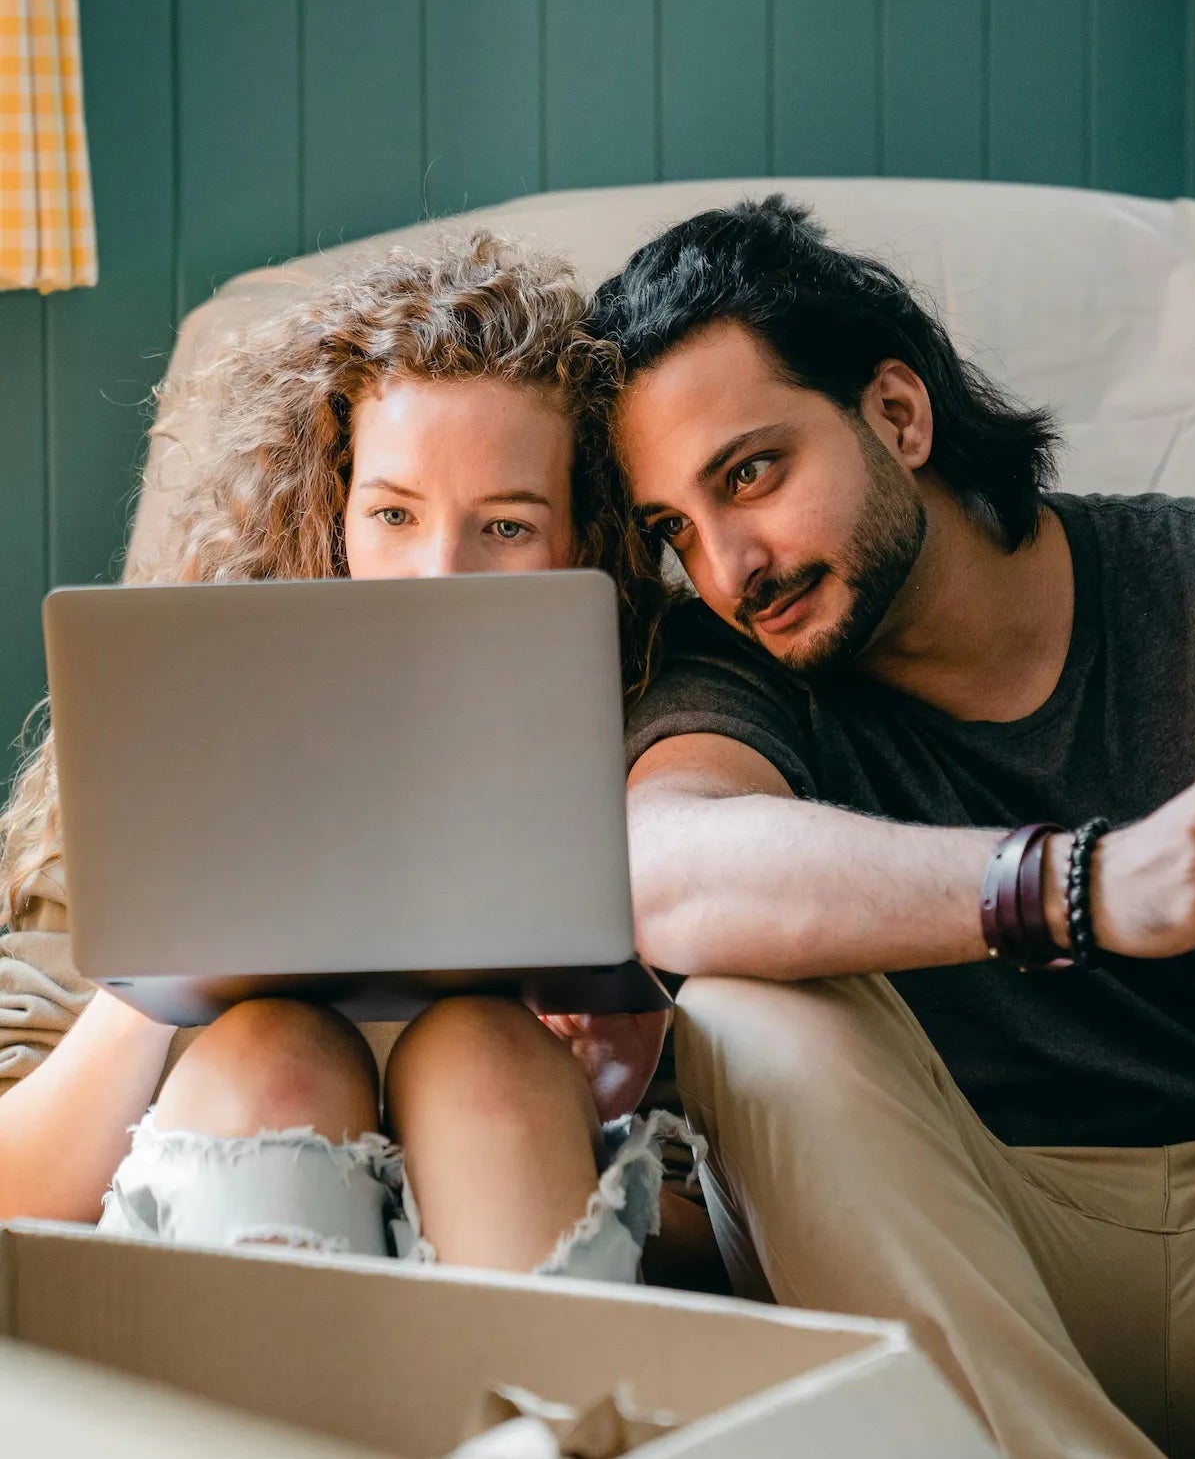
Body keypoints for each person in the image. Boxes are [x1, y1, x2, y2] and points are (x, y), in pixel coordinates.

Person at [587, 196, 1195, 1457]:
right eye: (674, 530)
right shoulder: (735, 670)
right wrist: (1085, 883)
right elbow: (670, 869)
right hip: (993, 1275)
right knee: (749, 1009)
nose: (732, 566)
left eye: (753, 473)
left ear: (898, 415)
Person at [0, 231, 704, 1285]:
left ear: (582, 539)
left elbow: (747, 1216)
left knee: (484, 1058)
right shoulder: (167, 723)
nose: (439, 577)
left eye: (505, 528)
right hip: (220, 1218)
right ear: (330, 520)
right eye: (393, 515)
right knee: (269, 1053)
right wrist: (156, 979)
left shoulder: (675, 743)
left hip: (528, 1233)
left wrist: (605, 1078)